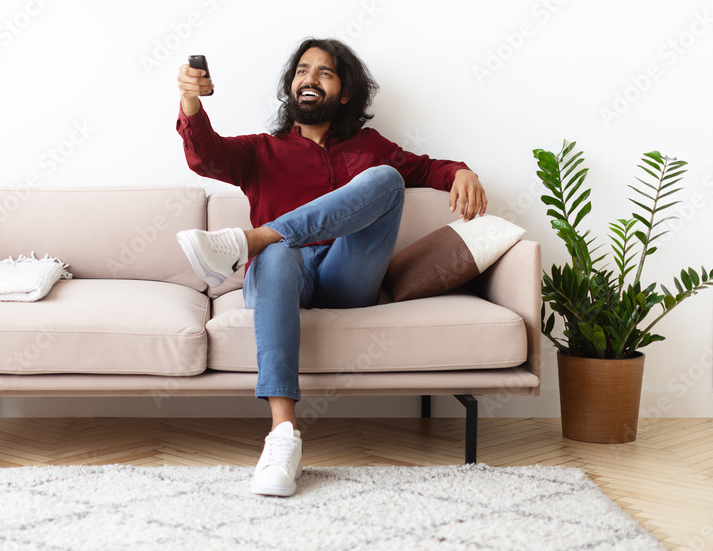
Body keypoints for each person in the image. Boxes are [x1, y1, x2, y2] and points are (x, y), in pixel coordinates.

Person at [174, 38, 486, 497]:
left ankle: (254, 239)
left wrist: (462, 171)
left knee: (386, 178)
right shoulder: (262, 150)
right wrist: (189, 99)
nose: (310, 79)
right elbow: (205, 154)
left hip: (347, 274)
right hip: (281, 277)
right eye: (302, 71)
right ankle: (283, 437)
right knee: (279, 253)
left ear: (343, 93)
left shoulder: (369, 147)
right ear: (291, 86)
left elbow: (427, 168)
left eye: (324, 72)